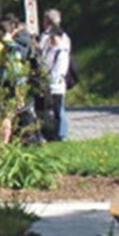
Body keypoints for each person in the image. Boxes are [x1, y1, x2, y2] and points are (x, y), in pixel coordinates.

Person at [40, 9, 71, 140]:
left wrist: (51, 79)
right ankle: (54, 133)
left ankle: (61, 135)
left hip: (56, 83)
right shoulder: (60, 39)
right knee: (54, 110)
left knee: (58, 110)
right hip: (50, 81)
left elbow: (59, 69)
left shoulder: (60, 49)